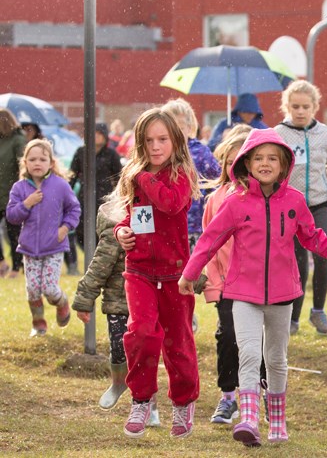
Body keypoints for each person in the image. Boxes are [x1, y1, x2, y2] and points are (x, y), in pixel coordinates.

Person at [178, 128, 327, 447]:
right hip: (242, 293)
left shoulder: (295, 201)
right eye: (258, 157)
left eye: (272, 158)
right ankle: (248, 418)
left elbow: (311, 236)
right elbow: (209, 240)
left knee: (275, 358)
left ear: (285, 164)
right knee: (247, 353)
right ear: (245, 163)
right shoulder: (235, 203)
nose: (264, 163)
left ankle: (277, 421)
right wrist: (190, 274)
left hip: (283, 294)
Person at [113, 108, 201, 439]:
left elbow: (169, 205)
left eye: (162, 139)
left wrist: (144, 177)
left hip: (176, 274)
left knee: (178, 342)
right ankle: (141, 399)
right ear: (139, 142)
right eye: (148, 140)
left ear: (175, 141)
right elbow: (133, 215)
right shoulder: (135, 175)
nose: (155, 147)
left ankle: (183, 402)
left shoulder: (181, 174)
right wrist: (121, 233)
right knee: (142, 334)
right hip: (138, 270)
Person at [71, 191, 159, 426]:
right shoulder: (115, 232)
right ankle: (119, 381)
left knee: (147, 351)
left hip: (148, 301)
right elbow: (98, 268)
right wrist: (84, 300)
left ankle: (149, 403)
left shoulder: (154, 225)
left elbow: (171, 258)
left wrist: (196, 283)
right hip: (118, 303)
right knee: (120, 348)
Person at [198, 127, 262, 425]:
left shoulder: (264, 199)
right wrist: (213, 287)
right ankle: (228, 398)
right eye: (229, 162)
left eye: (241, 162)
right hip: (226, 285)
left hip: (261, 286)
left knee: (257, 341)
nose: (234, 169)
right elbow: (208, 245)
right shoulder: (215, 199)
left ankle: (260, 391)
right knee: (228, 337)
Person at [274, 80, 327, 335]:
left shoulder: (324, 133)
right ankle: (294, 318)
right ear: (286, 107)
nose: (300, 111)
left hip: (318, 205)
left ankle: (319, 311)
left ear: (315, 106)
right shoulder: (278, 133)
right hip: (290, 207)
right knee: (298, 264)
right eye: (295, 107)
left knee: (324, 258)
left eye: (305, 107)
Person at [6, 139, 81, 337]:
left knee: (48, 288)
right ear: (25, 163)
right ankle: (39, 324)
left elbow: (74, 209)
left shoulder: (60, 185)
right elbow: (12, 216)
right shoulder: (19, 188)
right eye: (32, 159)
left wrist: (65, 228)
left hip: (54, 246)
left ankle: (62, 301)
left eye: (42, 159)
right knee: (32, 289)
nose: (37, 163)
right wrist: (27, 204)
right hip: (29, 248)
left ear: (51, 163)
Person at [161, 99, 221, 334]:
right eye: (170, 126)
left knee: (194, 272)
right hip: (169, 225)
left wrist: (214, 207)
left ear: (190, 127)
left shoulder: (200, 152)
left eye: (181, 126)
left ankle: (221, 314)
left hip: (195, 224)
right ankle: (185, 315)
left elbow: (217, 182)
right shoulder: (160, 153)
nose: (176, 131)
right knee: (175, 274)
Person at [68, 122, 123, 274]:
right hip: (84, 198)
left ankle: (99, 262)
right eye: (94, 133)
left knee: (101, 231)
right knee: (80, 230)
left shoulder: (111, 154)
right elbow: (72, 175)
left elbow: (119, 177)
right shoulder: (81, 152)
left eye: (100, 134)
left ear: (105, 137)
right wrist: (66, 193)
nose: (97, 137)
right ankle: (90, 255)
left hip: (104, 199)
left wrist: (120, 197)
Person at [0, 108, 27, 278]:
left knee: (14, 233)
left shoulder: (18, 140)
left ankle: (16, 268)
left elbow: (22, 165)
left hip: (12, 194)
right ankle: (2, 262)